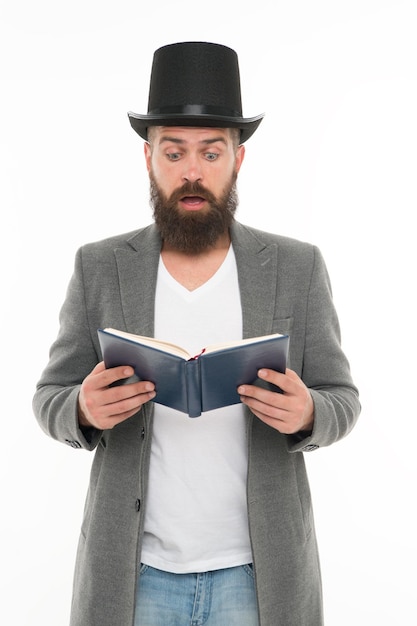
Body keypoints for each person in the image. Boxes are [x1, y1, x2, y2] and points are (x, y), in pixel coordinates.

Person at [33, 41, 360, 626]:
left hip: (257, 574)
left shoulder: (296, 265)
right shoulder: (99, 265)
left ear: (238, 160)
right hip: (134, 574)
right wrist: (81, 408)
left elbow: (342, 397)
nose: (192, 171)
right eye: (174, 151)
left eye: (211, 153)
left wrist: (310, 413)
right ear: (148, 158)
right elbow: (49, 398)